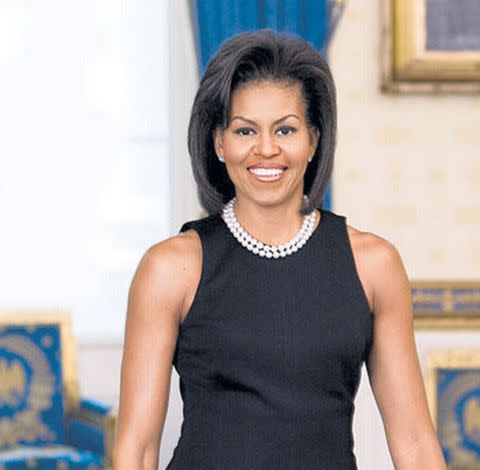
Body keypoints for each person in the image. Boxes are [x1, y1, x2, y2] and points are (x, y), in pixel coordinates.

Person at [112, 29, 446, 470]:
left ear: (314, 140)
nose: (266, 149)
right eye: (245, 130)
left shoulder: (373, 265)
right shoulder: (171, 268)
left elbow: (416, 445)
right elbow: (135, 450)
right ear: (219, 143)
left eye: (285, 129)